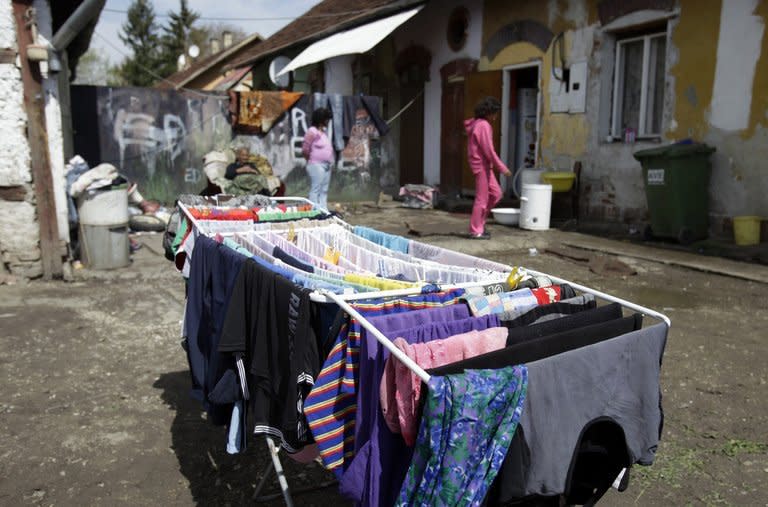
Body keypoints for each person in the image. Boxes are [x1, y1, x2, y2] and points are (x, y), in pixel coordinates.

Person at [464, 96, 512, 239]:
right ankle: (475, 230)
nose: (496, 116)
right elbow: (488, 151)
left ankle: (479, 224)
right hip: (481, 166)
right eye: (495, 113)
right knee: (482, 199)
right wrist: (502, 168)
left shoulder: (478, 124)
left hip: (485, 166)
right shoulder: (483, 125)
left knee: (496, 194)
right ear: (489, 112)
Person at [302, 107, 335, 210]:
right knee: (316, 189)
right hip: (316, 164)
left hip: (326, 165)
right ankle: (314, 211)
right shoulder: (312, 131)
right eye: (326, 119)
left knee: (324, 190)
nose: (328, 121)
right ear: (321, 119)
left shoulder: (323, 133)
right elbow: (305, 149)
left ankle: (323, 211)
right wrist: (310, 160)